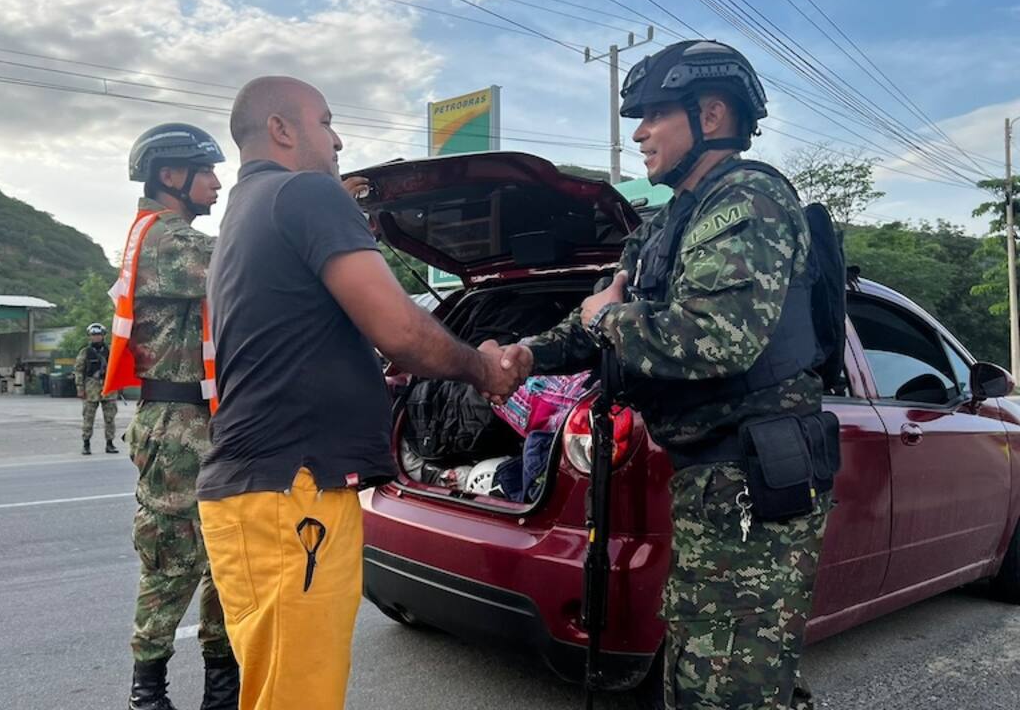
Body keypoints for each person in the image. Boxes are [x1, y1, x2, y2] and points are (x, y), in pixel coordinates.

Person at [503, 40, 832, 709]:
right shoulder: (671, 222)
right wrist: (524, 357)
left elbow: (716, 339)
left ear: (711, 114)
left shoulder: (748, 199)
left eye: (654, 115)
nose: (639, 133)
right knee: (700, 664)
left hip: (749, 482)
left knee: (730, 681)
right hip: (712, 480)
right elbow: (599, 313)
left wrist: (605, 320)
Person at [199, 76, 524, 710]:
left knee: (278, 692)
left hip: (263, 493)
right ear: (281, 129)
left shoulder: (247, 209)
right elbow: (401, 331)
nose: (339, 140)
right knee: (299, 700)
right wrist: (484, 370)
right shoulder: (304, 192)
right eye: (326, 122)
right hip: (293, 494)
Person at [101, 122, 238, 710]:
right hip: (177, 424)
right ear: (171, 174)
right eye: (207, 172)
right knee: (173, 560)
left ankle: (221, 689)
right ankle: (148, 694)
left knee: (226, 558)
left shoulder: (171, 236)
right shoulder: (164, 239)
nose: (217, 184)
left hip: (205, 420)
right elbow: (245, 259)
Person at [74, 322, 119, 455]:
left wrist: (118, 384)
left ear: (103, 335)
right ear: (90, 336)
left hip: (108, 388)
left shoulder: (111, 350)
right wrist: (80, 388)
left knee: (110, 418)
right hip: (91, 388)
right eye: (93, 335)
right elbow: (78, 370)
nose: (96, 337)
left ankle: (110, 443)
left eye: (99, 334)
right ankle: (86, 444)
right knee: (88, 418)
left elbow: (118, 367)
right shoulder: (85, 352)